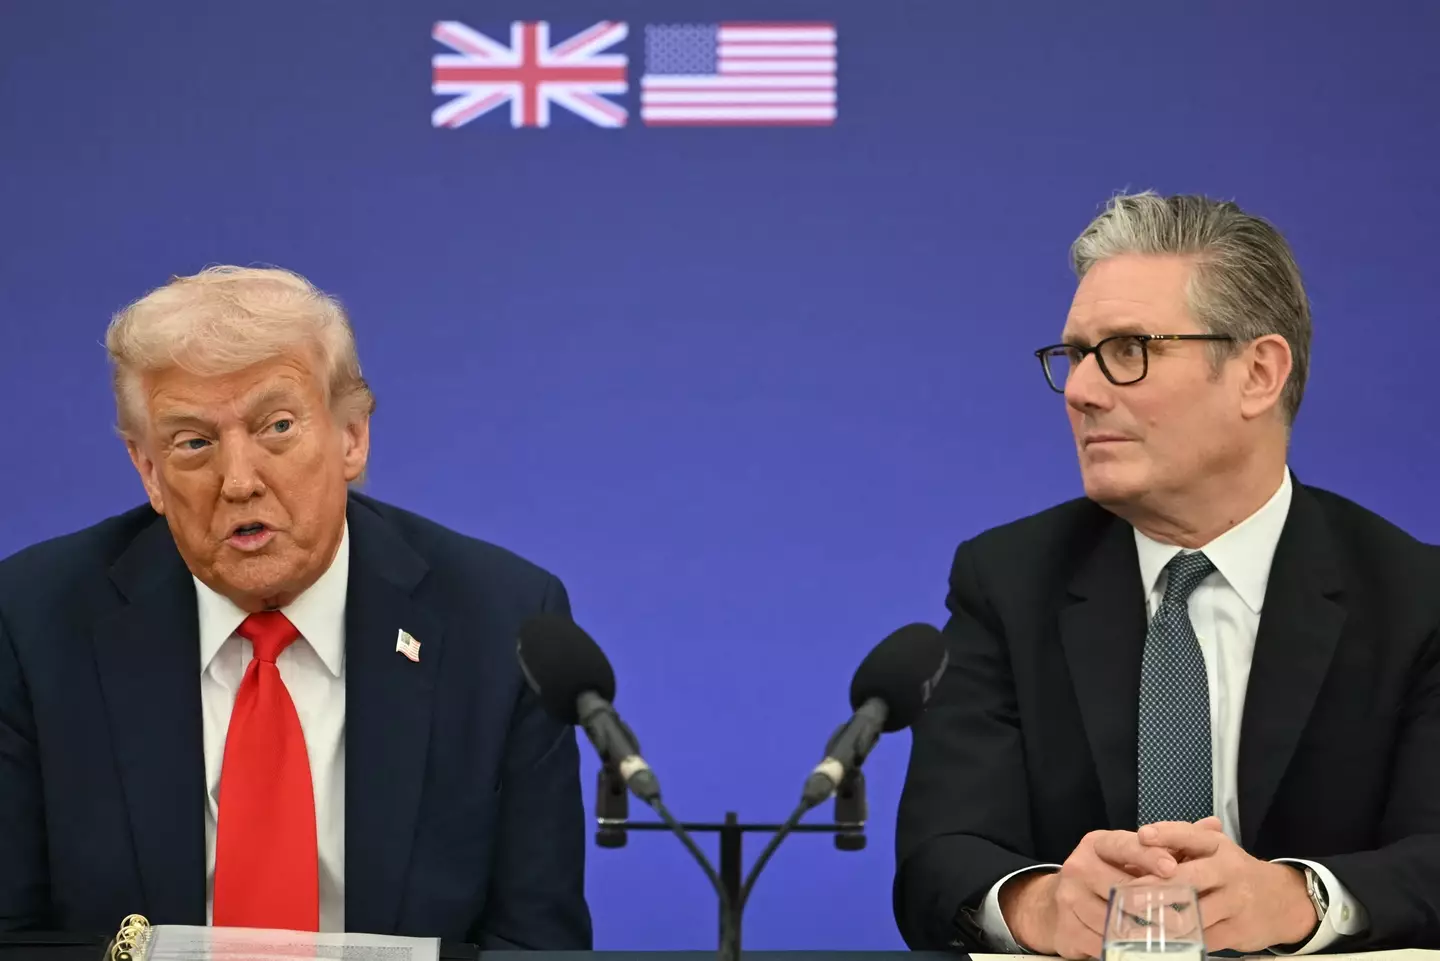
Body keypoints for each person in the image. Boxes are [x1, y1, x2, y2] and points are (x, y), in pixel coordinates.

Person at [893, 192, 1440, 958]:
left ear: (1258, 373)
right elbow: (938, 856)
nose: (1081, 391)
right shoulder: (1008, 583)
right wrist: (1041, 902)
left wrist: (1297, 897)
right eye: (1075, 355)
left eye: (1127, 350)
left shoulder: (1415, 599)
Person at [0, 266, 591, 947]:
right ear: (149, 471)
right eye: (193, 442)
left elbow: (535, 943)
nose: (239, 481)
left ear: (352, 436)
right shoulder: (34, 623)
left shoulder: (500, 623)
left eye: (277, 426)